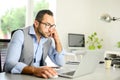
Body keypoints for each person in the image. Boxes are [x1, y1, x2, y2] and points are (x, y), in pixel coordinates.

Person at [4, 9, 65, 79]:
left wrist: (57, 40)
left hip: (38, 77)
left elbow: (60, 62)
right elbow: (9, 64)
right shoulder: (20, 34)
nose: (50, 30)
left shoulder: (48, 40)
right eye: (47, 25)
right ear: (36, 23)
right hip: (19, 77)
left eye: (52, 26)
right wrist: (35, 70)